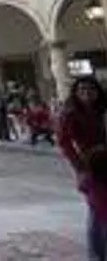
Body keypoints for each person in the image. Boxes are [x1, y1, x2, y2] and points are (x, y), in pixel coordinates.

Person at [57, 76, 107, 260]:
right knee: (99, 209)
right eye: (82, 89)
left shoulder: (101, 109)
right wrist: (79, 166)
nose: (87, 93)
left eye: (91, 89)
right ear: (76, 92)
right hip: (90, 166)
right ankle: (96, 255)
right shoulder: (70, 113)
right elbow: (64, 142)